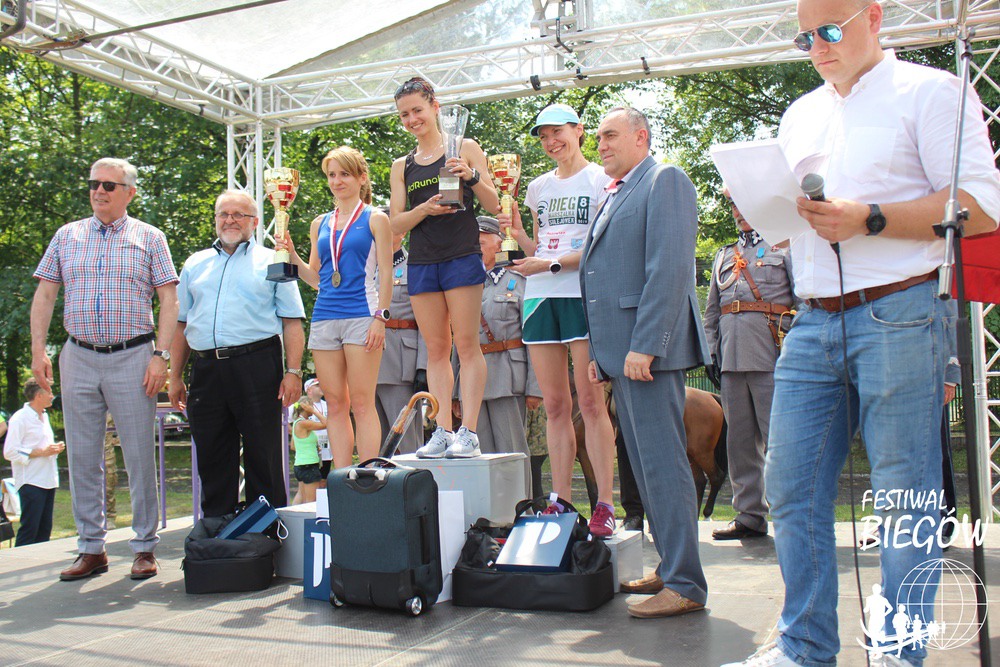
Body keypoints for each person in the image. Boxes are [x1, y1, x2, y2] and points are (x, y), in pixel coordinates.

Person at [724, 2, 1000, 665]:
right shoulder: (800, 113)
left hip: (900, 309)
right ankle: (804, 647)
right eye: (804, 38)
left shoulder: (931, 92)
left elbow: (980, 207)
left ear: (873, 17)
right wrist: (777, 216)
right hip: (812, 317)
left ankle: (899, 651)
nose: (817, 47)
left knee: (904, 496)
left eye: (829, 31)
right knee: (789, 486)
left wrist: (868, 217)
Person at [580, 107, 710, 618]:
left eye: (610, 135)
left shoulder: (665, 180)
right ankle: (672, 566)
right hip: (624, 354)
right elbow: (602, 279)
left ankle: (685, 584)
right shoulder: (618, 191)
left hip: (646, 352)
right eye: (598, 137)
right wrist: (601, 354)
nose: (601, 145)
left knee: (663, 465)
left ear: (641, 137)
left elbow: (670, 269)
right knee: (647, 468)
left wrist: (647, 344)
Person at [31, 157, 179, 581]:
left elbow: (169, 299)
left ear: (130, 192)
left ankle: (145, 546)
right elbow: (45, 294)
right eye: (94, 183)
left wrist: (161, 356)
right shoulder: (67, 235)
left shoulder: (149, 237)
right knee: (81, 456)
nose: (99, 191)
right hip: (77, 356)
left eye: (109, 185)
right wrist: (39, 350)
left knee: (138, 455)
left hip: (134, 357)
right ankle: (91, 548)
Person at [500, 103, 617, 538]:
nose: (551, 142)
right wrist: (517, 234)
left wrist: (549, 265)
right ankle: (561, 501)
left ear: (579, 130)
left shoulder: (601, 180)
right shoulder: (536, 187)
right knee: (554, 406)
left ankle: (605, 503)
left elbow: (600, 247)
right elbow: (538, 246)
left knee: (591, 403)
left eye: (558, 132)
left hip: (581, 295)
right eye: (544, 135)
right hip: (540, 298)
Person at [168, 190, 306, 516]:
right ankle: (217, 531)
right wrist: (175, 376)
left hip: (257, 365)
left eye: (238, 215)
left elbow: (292, 321)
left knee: (263, 454)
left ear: (255, 222)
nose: (230, 220)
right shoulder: (194, 263)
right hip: (206, 370)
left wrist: (293, 371)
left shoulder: (275, 259)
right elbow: (180, 324)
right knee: (212, 456)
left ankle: (266, 533)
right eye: (223, 214)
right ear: (215, 219)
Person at [389, 77, 501, 458]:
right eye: (404, 114)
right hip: (422, 262)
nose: (412, 119)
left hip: (461, 255)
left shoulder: (464, 147)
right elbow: (396, 222)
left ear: (435, 106)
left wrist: (470, 175)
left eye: (417, 110)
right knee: (436, 349)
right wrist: (424, 209)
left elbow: (495, 203)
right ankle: (442, 431)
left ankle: (469, 431)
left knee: (467, 345)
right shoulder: (401, 165)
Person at [278, 146, 392, 467]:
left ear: (361, 178)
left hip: (362, 316)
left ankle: (368, 474)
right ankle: (342, 477)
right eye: (331, 175)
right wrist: (292, 254)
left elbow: (386, 274)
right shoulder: (320, 223)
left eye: (344, 174)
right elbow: (316, 278)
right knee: (336, 403)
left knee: (362, 402)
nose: (337, 181)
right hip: (325, 318)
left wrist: (381, 318)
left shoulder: (375, 218)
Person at [702, 186, 795, 540]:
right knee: (739, 444)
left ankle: (789, 516)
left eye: (744, 205)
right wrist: (711, 352)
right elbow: (712, 312)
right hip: (732, 359)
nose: (738, 212)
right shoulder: (724, 255)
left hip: (772, 355)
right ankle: (749, 515)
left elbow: (803, 302)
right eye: (733, 206)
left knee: (779, 441)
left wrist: (795, 350)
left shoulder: (783, 247)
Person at [452, 216, 541, 459]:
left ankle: (518, 488)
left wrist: (535, 387)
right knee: (476, 455)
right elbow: (459, 340)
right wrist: (454, 391)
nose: (475, 249)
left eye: (481, 243)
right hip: (471, 383)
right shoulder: (464, 284)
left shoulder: (519, 282)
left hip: (507, 379)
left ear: (499, 244)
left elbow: (532, 337)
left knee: (512, 452)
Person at [375, 231, 429, 455]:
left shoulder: (414, 266)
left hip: (400, 364)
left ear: (402, 231)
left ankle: (412, 478)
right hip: (368, 360)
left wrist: (423, 366)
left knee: (406, 442)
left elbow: (428, 320)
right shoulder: (366, 267)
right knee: (375, 443)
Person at [3, 379, 64, 546]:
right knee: (30, 528)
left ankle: (40, 559)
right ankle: (20, 560)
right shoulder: (20, 418)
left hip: (48, 479)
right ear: (38, 395)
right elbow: (9, 451)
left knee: (45, 529)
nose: (52, 396)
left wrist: (54, 448)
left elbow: (41, 444)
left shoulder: (44, 416)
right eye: (49, 392)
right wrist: (41, 452)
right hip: (31, 480)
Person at [290, 398, 325, 504]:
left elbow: (293, 446)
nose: (313, 408)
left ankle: (293, 513)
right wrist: (314, 411)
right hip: (309, 465)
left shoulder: (296, 423)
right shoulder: (304, 423)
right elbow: (326, 423)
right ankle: (309, 515)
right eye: (312, 406)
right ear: (306, 407)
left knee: (301, 495)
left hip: (299, 464)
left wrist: (309, 447)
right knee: (311, 501)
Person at [304, 379, 332, 478]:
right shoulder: (303, 405)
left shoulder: (328, 404)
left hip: (326, 450)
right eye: (317, 385)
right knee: (311, 481)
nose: (321, 387)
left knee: (324, 479)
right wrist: (299, 435)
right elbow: (288, 422)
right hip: (310, 451)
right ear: (309, 390)